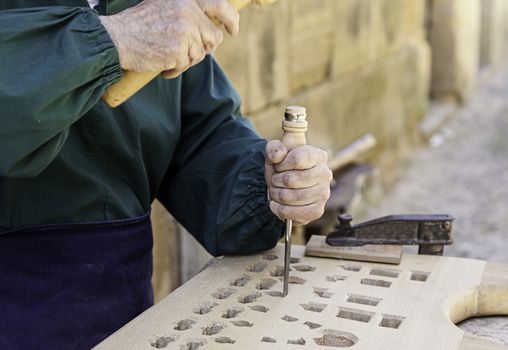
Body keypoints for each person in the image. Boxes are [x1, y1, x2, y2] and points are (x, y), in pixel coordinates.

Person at [0, 0, 332, 349]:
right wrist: (112, 40)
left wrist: (270, 184)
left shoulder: (154, 5)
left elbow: (201, 136)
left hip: (121, 317)